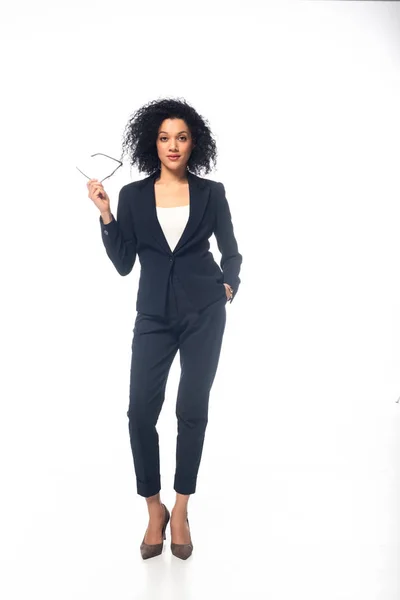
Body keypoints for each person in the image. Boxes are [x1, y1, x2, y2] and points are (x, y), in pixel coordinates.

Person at [86, 97, 243, 560]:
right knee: (139, 412)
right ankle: (154, 508)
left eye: (181, 137)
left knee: (191, 410)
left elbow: (232, 251)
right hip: (153, 316)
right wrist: (106, 214)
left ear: (195, 143)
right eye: (164, 137)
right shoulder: (133, 196)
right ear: (151, 142)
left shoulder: (211, 192)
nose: (172, 145)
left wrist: (228, 286)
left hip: (204, 314)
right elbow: (122, 264)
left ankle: (182, 508)